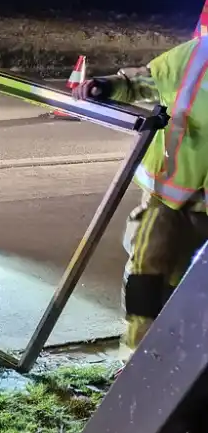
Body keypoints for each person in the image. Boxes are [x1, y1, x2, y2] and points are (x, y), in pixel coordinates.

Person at [74, 30, 208, 363]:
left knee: (185, 288)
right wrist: (106, 87)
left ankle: (175, 366)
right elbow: (143, 82)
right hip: (168, 192)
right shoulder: (193, 56)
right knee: (147, 271)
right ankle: (135, 362)